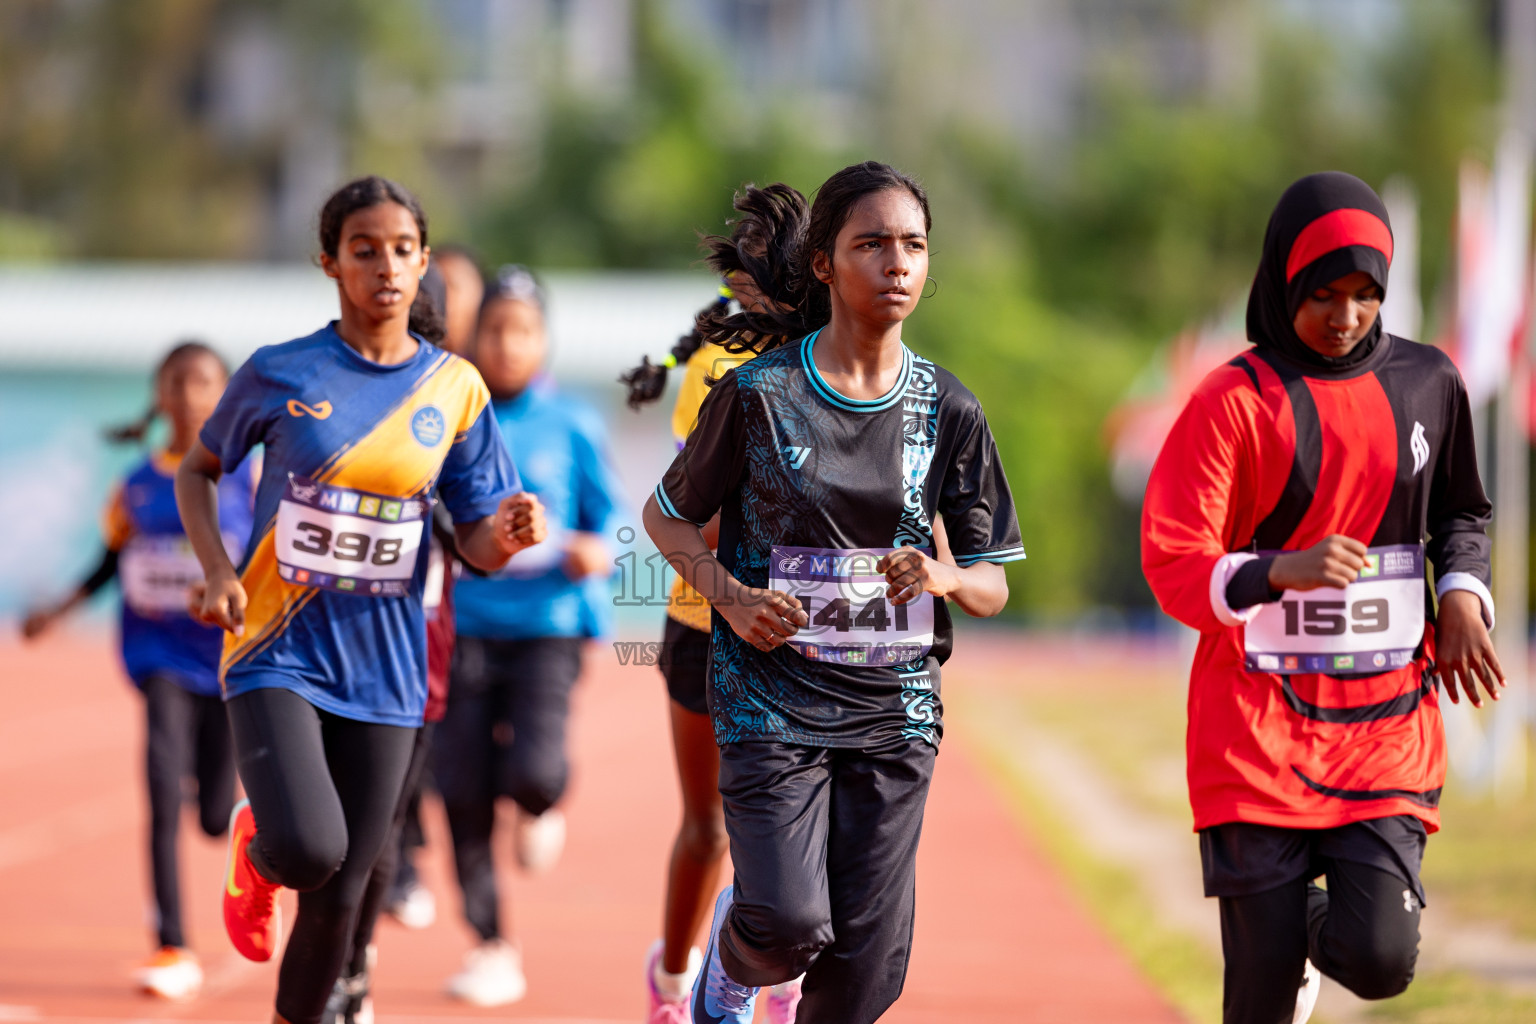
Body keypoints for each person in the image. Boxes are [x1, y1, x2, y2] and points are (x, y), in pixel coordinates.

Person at [644, 161, 1025, 1024]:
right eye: (873, 243)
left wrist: (946, 576)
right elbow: (665, 520)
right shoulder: (756, 398)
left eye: (915, 246)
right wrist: (732, 597)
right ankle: (728, 977)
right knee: (786, 923)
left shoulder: (948, 407)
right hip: (770, 698)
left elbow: (993, 582)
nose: (898, 263)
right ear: (824, 263)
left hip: (894, 711)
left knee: (864, 976)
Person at [175, 175, 546, 1024]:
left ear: (423, 266)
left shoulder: (455, 390)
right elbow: (200, 470)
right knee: (311, 849)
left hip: (388, 667)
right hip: (275, 646)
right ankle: (261, 853)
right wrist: (218, 570)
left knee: (343, 904)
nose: (385, 267)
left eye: (402, 251)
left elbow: (479, 544)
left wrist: (511, 533)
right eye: (364, 251)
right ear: (331, 263)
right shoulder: (280, 372)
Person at [1140, 171, 1502, 1024]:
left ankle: (1306, 930)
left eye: (1365, 295)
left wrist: (1460, 595)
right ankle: (1279, 944)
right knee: (1259, 999)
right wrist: (1276, 570)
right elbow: (1172, 557)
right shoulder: (1232, 401)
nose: (1345, 317)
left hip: (1385, 730)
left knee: (1379, 959)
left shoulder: (1428, 383)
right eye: (1323, 295)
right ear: (1282, 284)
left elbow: (1462, 510)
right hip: (1255, 733)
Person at [621, 184, 814, 1023]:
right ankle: (670, 984)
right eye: (747, 277)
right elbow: (694, 502)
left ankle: (773, 977)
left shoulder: (846, 361)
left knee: (791, 827)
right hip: (706, 620)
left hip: (806, 630)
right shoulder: (716, 367)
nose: (754, 292)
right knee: (708, 825)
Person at [22, 341, 253, 1001]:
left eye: (204, 382)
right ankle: (171, 943)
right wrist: (58, 610)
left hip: (229, 666)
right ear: (159, 397)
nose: (188, 396)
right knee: (157, 783)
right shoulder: (137, 485)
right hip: (158, 659)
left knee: (212, 816)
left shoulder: (249, 480)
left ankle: (225, 818)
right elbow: (106, 563)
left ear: (225, 397)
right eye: (176, 384)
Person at [433, 263, 626, 1006]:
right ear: (475, 336)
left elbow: (610, 515)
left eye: (522, 331)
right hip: (466, 627)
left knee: (533, 775)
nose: (507, 344)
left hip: (548, 628)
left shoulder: (573, 422)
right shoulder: (450, 414)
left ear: (543, 340)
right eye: (495, 330)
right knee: (462, 792)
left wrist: (593, 548)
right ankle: (490, 944)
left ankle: (540, 804)